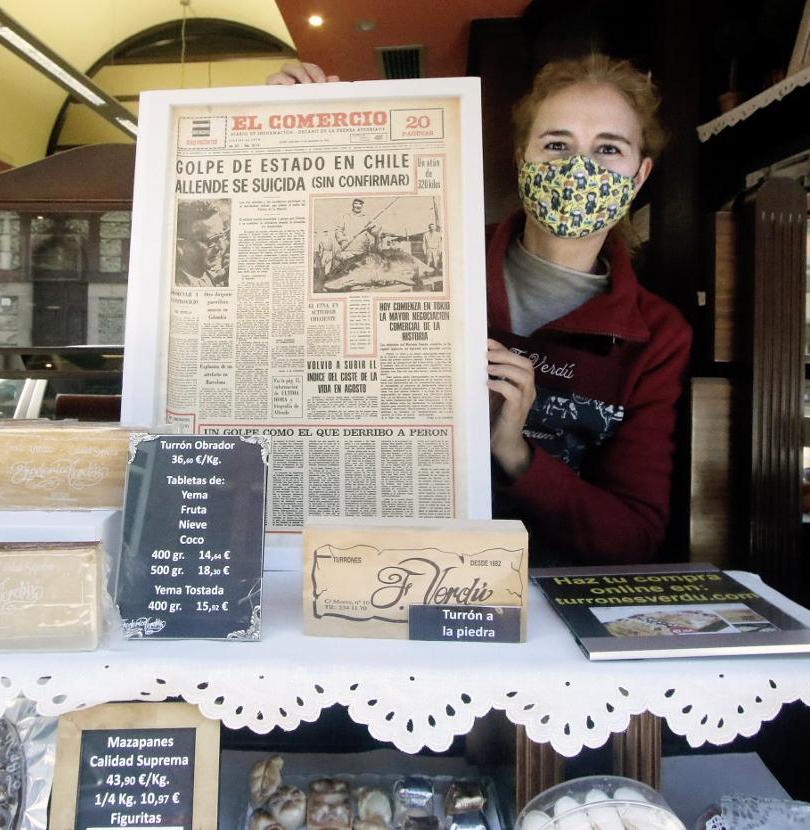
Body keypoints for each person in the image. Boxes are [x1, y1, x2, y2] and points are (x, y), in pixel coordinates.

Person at [268, 55, 691, 566]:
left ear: (640, 174)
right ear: (521, 158)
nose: (580, 169)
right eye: (556, 145)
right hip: (378, 565)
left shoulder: (657, 335)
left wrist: (514, 452)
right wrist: (283, 121)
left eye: (608, 148)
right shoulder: (438, 260)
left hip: (544, 608)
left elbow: (631, 537)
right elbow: (293, 300)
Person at [174, 199, 230, 287]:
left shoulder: (206, 274)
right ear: (181, 247)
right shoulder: (180, 285)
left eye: (222, 236)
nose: (221, 247)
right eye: (212, 241)